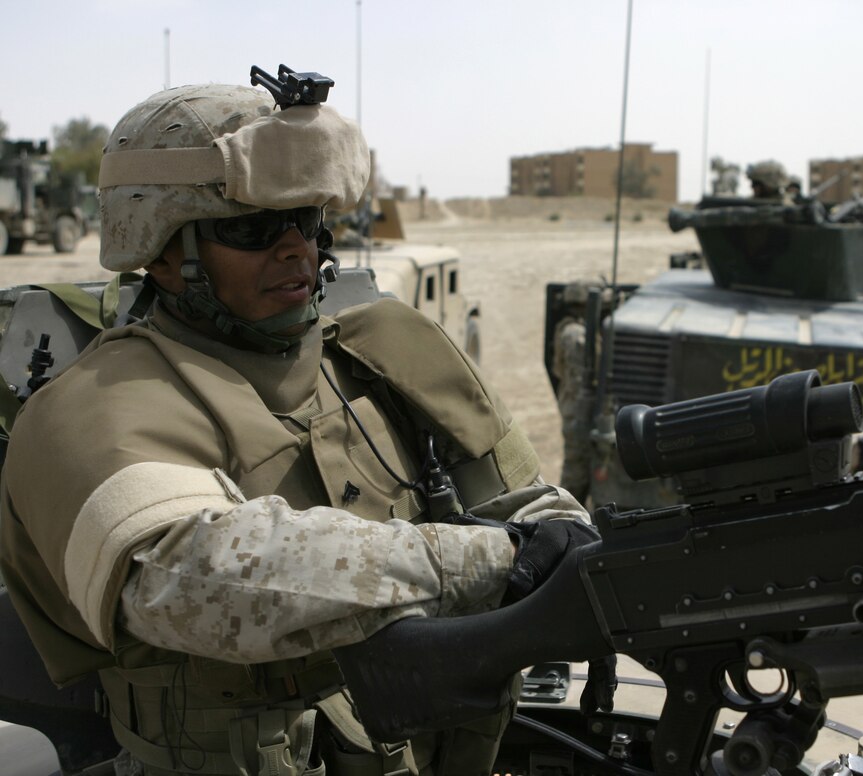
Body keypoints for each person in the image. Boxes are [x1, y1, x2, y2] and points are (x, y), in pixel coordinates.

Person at [0, 75, 608, 776]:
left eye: (312, 222)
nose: (298, 250)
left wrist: (575, 553)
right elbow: (194, 578)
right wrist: (494, 559)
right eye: (255, 229)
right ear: (163, 249)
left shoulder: (387, 347)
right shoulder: (94, 403)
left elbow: (534, 510)